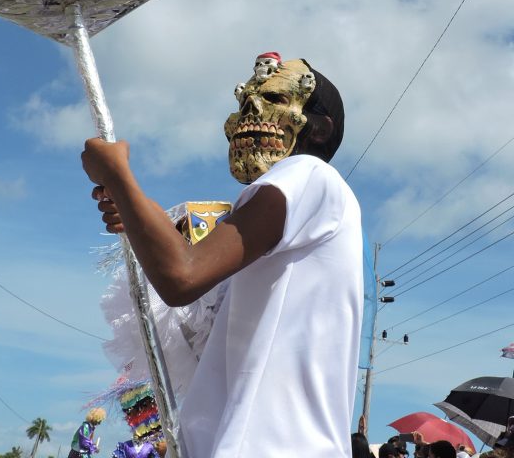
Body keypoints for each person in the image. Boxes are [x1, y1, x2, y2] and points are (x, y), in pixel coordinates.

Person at [82, 54, 363, 458]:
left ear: (318, 129)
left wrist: (117, 175)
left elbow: (182, 275)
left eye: (274, 99)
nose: (249, 111)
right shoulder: (296, 212)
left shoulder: (309, 173)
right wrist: (136, 210)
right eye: (245, 100)